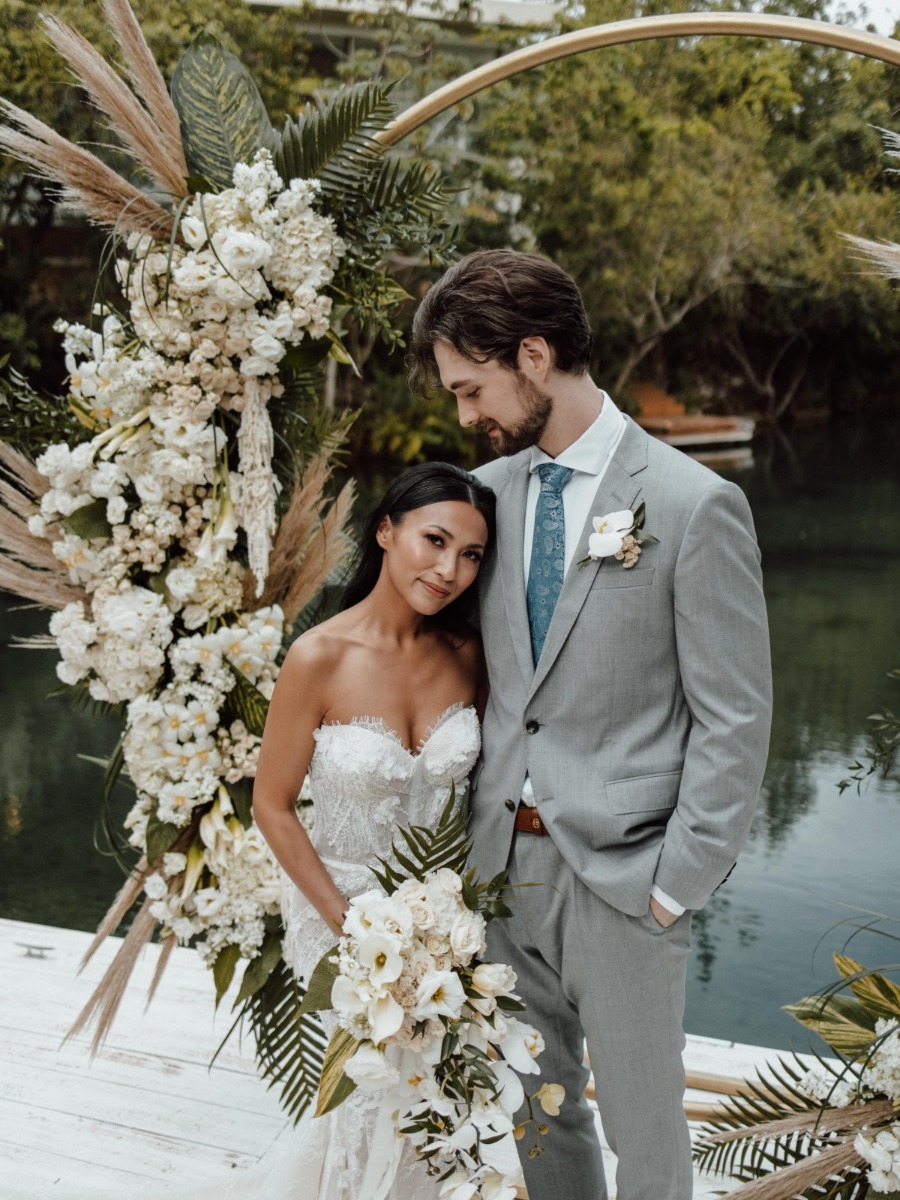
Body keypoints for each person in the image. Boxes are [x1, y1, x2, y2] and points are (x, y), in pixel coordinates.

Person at [409, 249, 773, 1200]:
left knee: (648, 1142)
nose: (464, 416)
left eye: (472, 387)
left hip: (625, 879)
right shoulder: (488, 499)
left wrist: (677, 881)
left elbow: (734, 719)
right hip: (498, 872)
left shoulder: (696, 506)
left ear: (534, 355)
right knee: (539, 1118)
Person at [250, 460, 499, 1200]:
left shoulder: (468, 656)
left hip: (445, 925)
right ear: (386, 531)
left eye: (472, 555)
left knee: (430, 1098)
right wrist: (348, 920)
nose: (450, 569)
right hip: (339, 915)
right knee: (358, 1100)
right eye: (434, 539)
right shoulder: (317, 656)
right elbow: (272, 804)